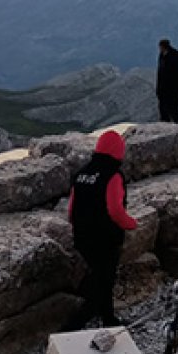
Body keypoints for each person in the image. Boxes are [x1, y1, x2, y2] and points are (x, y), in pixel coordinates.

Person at [64, 131, 138, 330]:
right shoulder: (113, 175)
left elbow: (71, 208)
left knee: (100, 278)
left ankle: (108, 319)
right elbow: (114, 209)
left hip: (82, 237)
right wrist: (131, 223)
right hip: (105, 239)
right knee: (104, 283)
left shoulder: (82, 173)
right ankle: (70, 328)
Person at [156, 39, 178, 123]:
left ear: (162, 47)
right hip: (164, 89)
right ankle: (165, 124)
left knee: (173, 108)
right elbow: (160, 74)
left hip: (173, 89)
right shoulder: (162, 56)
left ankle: (177, 125)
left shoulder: (174, 58)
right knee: (163, 108)